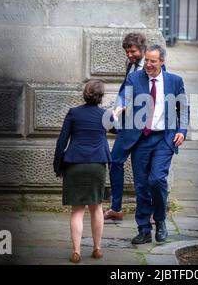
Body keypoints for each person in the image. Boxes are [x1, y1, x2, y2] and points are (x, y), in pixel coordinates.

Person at [117, 45, 188, 244]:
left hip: (164, 138)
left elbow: (183, 108)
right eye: (146, 60)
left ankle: (161, 220)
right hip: (140, 139)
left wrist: (182, 131)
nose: (148, 64)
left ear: (162, 62)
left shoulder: (174, 81)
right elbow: (125, 95)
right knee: (141, 185)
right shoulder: (135, 78)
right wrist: (120, 105)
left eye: (153, 61)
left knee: (157, 179)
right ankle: (144, 229)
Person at [53, 80, 117, 263]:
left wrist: (57, 165)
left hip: (75, 163)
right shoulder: (105, 114)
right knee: (96, 207)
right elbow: (118, 130)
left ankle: (76, 251)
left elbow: (61, 142)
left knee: (77, 210)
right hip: (97, 164)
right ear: (101, 96)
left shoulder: (73, 113)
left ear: (84, 94)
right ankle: (97, 249)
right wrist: (115, 115)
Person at [103, 32, 147, 221]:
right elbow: (126, 91)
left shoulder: (153, 66)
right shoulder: (131, 65)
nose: (129, 55)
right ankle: (116, 208)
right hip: (128, 124)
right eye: (127, 52)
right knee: (115, 162)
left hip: (145, 126)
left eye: (133, 51)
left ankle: (149, 211)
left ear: (142, 49)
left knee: (143, 171)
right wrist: (117, 109)